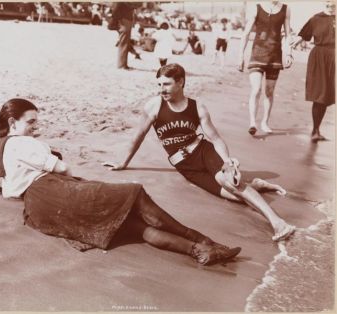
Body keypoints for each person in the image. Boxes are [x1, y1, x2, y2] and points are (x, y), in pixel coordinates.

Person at [0, 98, 241, 267]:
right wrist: (79, 183)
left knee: (134, 227)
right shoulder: (22, 143)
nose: (35, 127)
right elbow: (63, 168)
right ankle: (202, 240)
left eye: (35, 121)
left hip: (39, 210)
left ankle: (198, 251)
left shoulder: (3, 147)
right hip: (52, 191)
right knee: (134, 194)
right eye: (31, 122)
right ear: (13, 123)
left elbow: (8, 190)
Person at [104, 63, 295, 242]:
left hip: (203, 151)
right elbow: (138, 136)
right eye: (159, 84)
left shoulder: (197, 108)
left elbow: (216, 138)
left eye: (167, 84)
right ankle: (256, 185)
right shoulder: (153, 106)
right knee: (233, 195)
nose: (162, 89)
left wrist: (227, 161)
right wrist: (123, 162)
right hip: (185, 167)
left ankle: (278, 223)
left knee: (226, 181)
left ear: (180, 82)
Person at [238, 1, 293, 135]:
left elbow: (288, 34)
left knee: (269, 91)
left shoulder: (286, 9)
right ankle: (252, 122)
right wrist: (240, 56)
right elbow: (245, 33)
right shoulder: (256, 8)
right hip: (257, 54)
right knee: (256, 89)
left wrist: (289, 53)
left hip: (275, 56)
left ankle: (265, 122)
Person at [290, 1, 335, 142]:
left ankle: (317, 129)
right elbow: (303, 35)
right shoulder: (316, 18)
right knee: (320, 95)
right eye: (327, 1)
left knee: (328, 96)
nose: (330, 3)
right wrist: (290, 47)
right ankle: (315, 130)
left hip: (334, 56)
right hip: (319, 58)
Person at [111, 2, 138, 70]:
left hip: (126, 22)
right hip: (124, 22)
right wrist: (118, 21)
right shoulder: (121, 3)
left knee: (125, 44)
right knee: (124, 44)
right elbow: (115, 12)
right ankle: (121, 65)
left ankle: (123, 64)